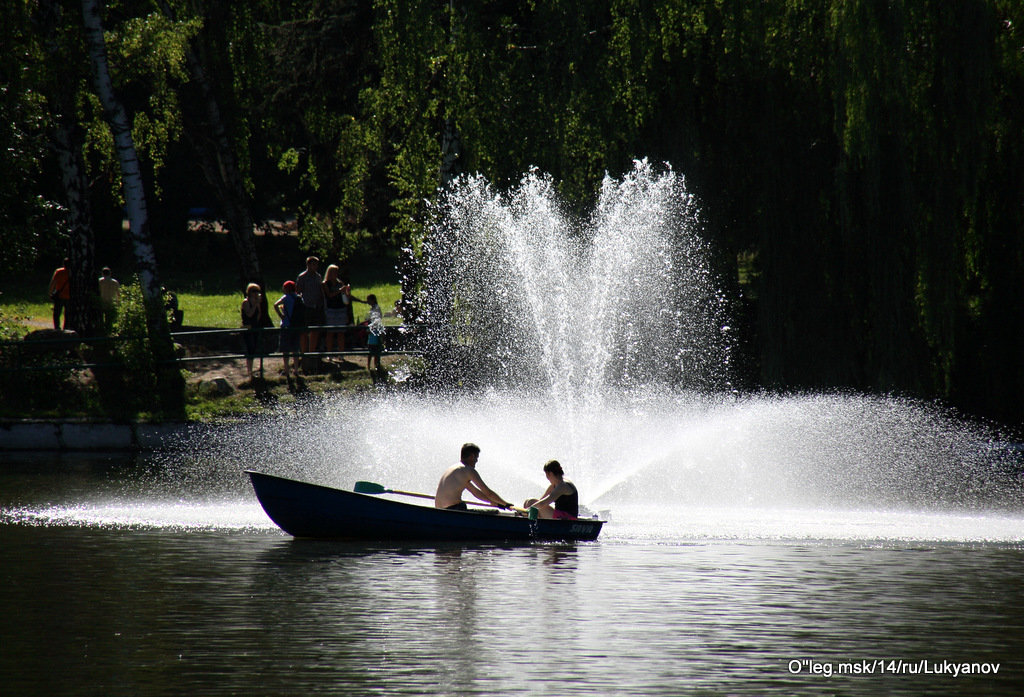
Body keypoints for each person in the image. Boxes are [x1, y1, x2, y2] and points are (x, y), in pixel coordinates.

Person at [435, 443, 513, 511]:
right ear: (472, 456)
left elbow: (475, 492)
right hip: (454, 510)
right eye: (477, 457)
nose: (477, 461)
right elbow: (488, 493)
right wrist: (506, 504)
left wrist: (495, 502)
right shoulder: (468, 470)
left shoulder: (453, 468)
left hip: (439, 511)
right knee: (464, 506)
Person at [274, 280, 304, 379]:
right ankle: (296, 369)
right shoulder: (298, 297)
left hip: (286, 325)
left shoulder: (286, 297)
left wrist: (281, 315)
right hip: (296, 326)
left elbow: (275, 305)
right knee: (295, 348)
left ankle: (286, 370)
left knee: (285, 349)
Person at [295, 256, 325, 354]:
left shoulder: (318, 276)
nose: (315, 267)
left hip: (316, 307)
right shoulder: (302, 277)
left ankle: (312, 351)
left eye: (316, 265)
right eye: (313, 264)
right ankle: (303, 352)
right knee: (304, 331)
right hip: (306, 307)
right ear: (308, 265)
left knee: (315, 330)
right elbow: (298, 291)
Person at [321, 264, 350, 355]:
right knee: (330, 333)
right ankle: (329, 353)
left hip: (340, 308)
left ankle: (341, 353)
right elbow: (329, 295)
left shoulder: (340, 283)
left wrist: (346, 291)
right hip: (331, 309)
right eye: (334, 272)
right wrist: (339, 291)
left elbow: (345, 297)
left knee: (341, 333)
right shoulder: (325, 283)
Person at [240, 283, 263, 381]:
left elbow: (258, 315)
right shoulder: (246, 302)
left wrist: (257, 305)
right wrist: (255, 305)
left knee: (254, 349)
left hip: (255, 327)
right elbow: (249, 314)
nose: (256, 294)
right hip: (247, 328)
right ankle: (249, 372)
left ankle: (252, 370)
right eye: (254, 291)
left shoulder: (256, 303)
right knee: (250, 349)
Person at [47, 258, 71, 330]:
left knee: (56, 313)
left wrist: (50, 293)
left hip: (59, 296)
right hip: (69, 296)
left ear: (63, 264)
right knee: (68, 314)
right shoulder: (73, 272)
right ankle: (66, 328)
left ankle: (57, 327)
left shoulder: (59, 271)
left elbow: (53, 283)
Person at [365, 293, 384, 374]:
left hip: (375, 331)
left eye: (368, 300)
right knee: (371, 349)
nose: (367, 301)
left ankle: (375, 365)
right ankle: (370, 365)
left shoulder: (376, 308)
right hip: (372, 330)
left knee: (374, 349)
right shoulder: (373, 308)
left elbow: (376, 319)